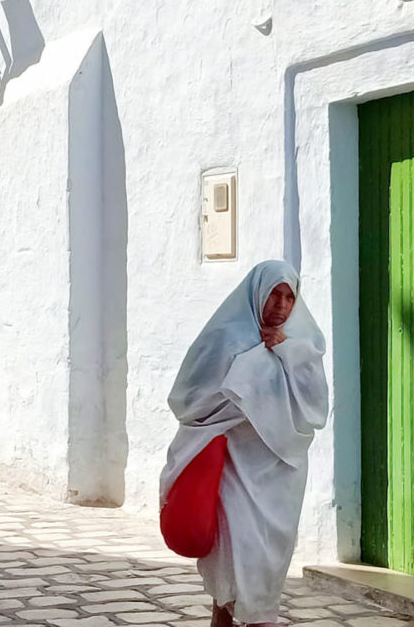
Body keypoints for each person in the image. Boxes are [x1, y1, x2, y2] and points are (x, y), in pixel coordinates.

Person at [160, 260, 329, 627]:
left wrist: (286, 354)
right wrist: (254, 365)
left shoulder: (304, 347)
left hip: (279, 481)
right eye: (274, 294)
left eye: (288, 296)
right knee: (234, 562)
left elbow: (314, 409)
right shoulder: (227, 337)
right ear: (257, 293)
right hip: (234, 473)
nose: (281, 304)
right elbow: (191, 399)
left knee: (265, 566)